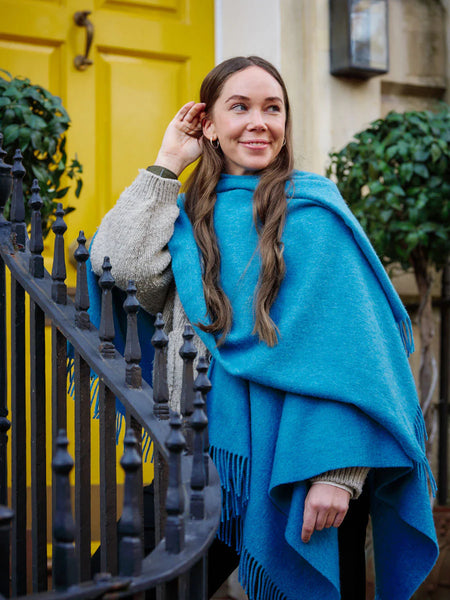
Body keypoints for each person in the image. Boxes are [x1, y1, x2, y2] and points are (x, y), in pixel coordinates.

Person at [90, 56, 438, 600]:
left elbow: (353, 355)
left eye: (272, 108)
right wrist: (164, 165)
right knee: (118, 583)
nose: (259, 121)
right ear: (206, 124)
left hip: (308, 466)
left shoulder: (314, 213)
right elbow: (122, 270)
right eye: (240, 107)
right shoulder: (180, 217)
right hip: (207, 456)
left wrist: (336, 473)